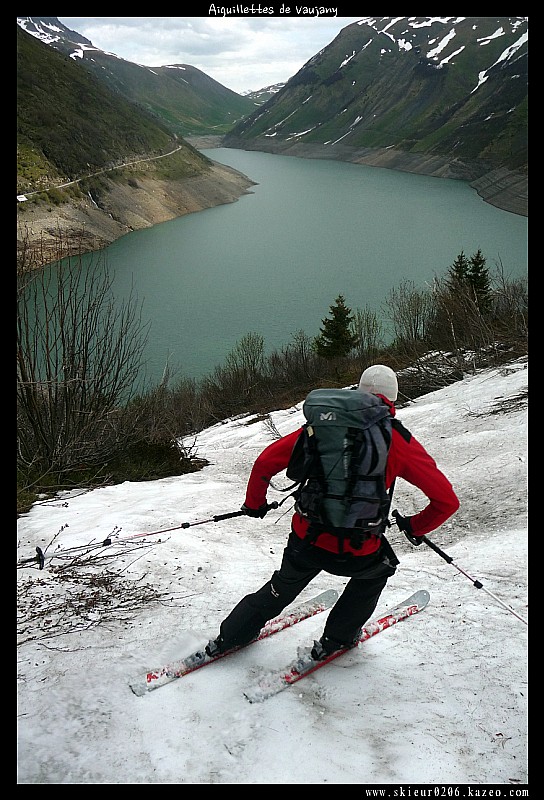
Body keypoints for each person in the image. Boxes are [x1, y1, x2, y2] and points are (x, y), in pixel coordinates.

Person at [205, 365, 460, 661]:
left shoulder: (321, 427)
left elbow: (264, 463)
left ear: (359, 390)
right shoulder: (397, 440)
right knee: (378, 572)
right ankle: (336, 639)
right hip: (360, 548)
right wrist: (416, 526)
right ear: (393, 398)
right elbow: (446, 501)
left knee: (281, 588)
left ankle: (231, 636)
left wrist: (255, 504)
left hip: (306, 538)